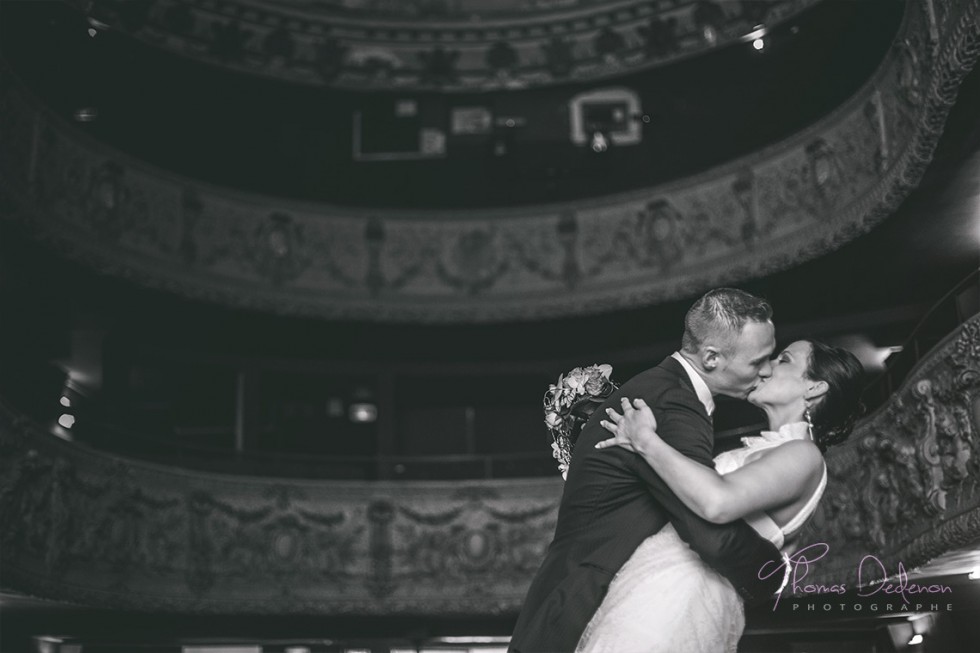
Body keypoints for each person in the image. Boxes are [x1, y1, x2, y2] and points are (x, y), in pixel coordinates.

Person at [509, 288, 785, 653]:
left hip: (572, 594)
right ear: (711, 357)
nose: (766, 371)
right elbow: (707, 530)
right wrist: (772, 572)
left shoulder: (660, 390)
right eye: (758, 362)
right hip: (585, 606)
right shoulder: (673, 403)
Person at [576, 339, 864, 652]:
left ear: (814, 388)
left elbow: (717, 503)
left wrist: (646, 440)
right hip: (653, 581)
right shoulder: (765, 450)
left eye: (783, 359)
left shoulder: (805, 455)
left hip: (683, 597)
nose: (764, 368)